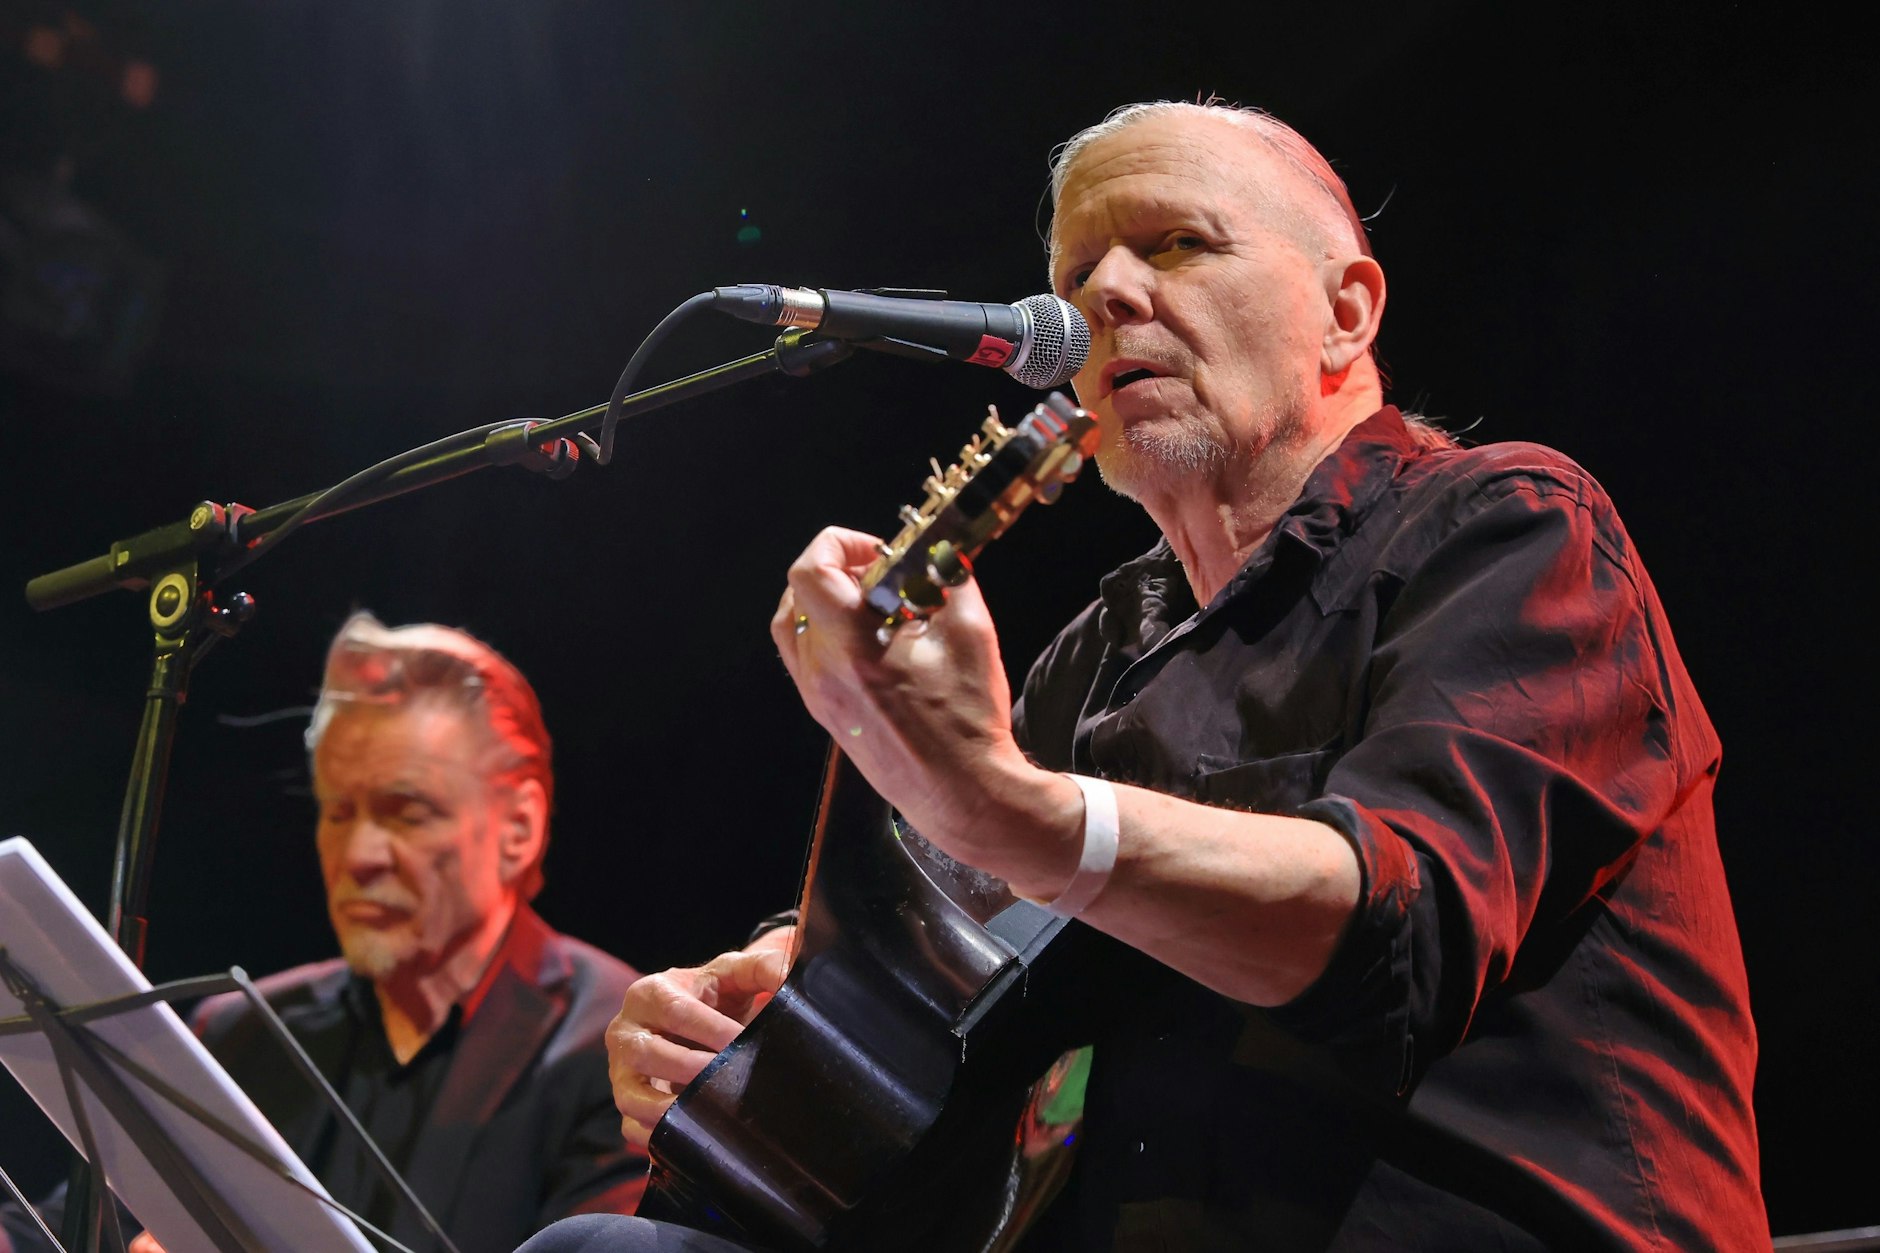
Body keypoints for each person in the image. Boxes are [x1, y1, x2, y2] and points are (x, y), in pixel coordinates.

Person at [527, 98, 1768, 1251]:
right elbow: (949, 932)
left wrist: (1001, 806)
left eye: (1174, 244)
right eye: (1072, 275)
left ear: (1345, 310)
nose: (1104, 294)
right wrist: (746, 1004)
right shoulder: (1102, 645)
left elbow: (1385, 937)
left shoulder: (1509, 530)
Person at [2, 611, 647, 1253]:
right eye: (338, 811)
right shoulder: (244, 1031)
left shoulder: (616, 1049)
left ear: (520, 829)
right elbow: (61, 1230)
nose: (360, 854)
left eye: (406, 811)